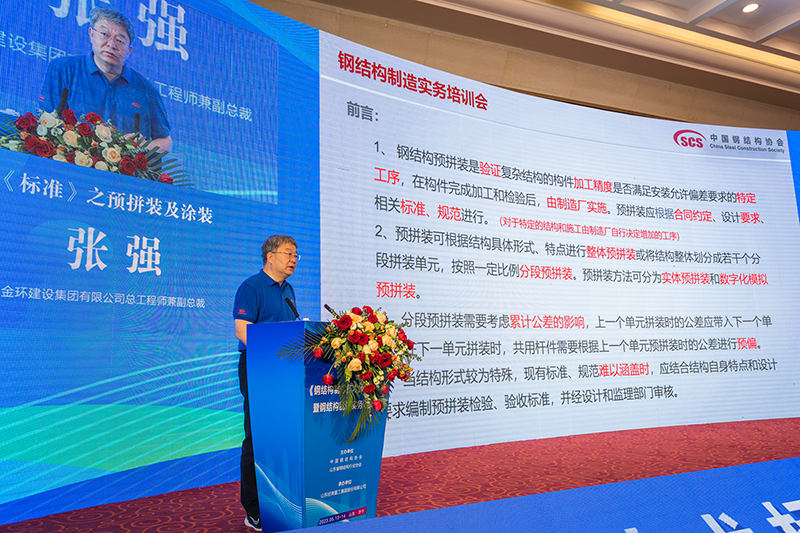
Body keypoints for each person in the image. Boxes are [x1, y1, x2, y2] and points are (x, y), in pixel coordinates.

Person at [232, 235, 300, 532]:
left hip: (286, 372)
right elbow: (242, 331)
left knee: (282, 436)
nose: (293, 259)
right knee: (257, 438)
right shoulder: (252, 287)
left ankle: (281, 501)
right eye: (288, 253)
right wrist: (275, 355)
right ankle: (254, 510)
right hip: (260, 368)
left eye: (296, 255)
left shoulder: (289, 290)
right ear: (270, 256)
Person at [40, 7, 172, 152]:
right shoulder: (63, 68)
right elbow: (45, 120)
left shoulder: (147, 90)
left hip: (126, 166)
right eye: (104, 34)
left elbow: (165, 141)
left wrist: (144, 146)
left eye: (120, 41)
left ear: (129, 50)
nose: (111, 45)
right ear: (91, 34)